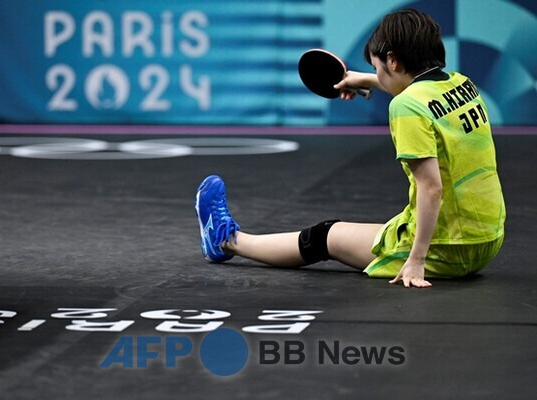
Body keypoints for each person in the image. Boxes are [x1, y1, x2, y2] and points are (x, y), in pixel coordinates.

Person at [194, 9, 506, 289]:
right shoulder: (461, 83)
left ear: (394, 60)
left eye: (378, 66)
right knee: (382, 229)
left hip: (448, 248)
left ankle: (226, 241)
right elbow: (416, 87)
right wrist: (366, 79)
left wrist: (416, 260)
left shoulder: (406, 106)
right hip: (487, 238)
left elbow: (431, 188)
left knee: (324, 236)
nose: (378, 73)